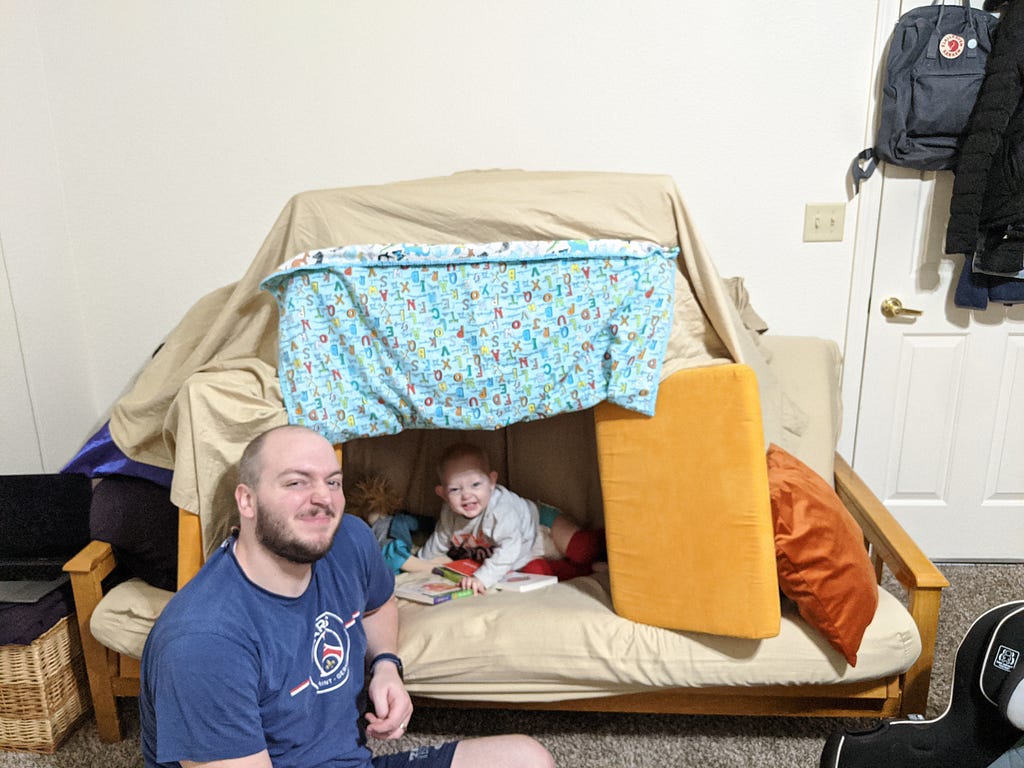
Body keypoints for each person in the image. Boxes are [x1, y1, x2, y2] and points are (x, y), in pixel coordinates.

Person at [139, 424, 554, 768]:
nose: (322, 498)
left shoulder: (349, 539)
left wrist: (388, 666)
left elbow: (378, 604)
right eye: (297, 482)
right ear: (247, 500)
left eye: (332, 482)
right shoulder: (202, 642)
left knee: (527, 758)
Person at [417, 442, 605, 595]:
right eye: (455, 489)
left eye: (475, 484)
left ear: (491, 482)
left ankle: (610, 541)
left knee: (582, 549)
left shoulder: (500, 509)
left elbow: (509, 547)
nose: (467, 495)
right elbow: (438, 542)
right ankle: (590, 570)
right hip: (523, 552)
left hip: (540, 526)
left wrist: (482, 578)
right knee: (537, 575)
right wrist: (417, 562)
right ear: (442, 493)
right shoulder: (449, 515)